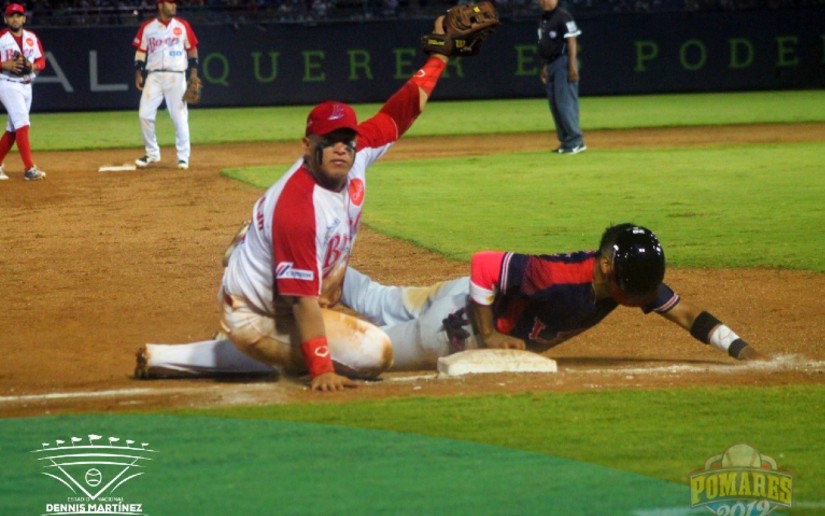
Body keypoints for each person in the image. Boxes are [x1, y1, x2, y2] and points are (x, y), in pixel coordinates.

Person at [134, 15, 464, 392]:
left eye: (346, 140)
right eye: (329, 141)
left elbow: (398, 113)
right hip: (256, 312)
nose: (340, 148)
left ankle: (248, 251)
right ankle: (211, 348)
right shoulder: (299, 207)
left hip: (290, 275)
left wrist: (439, 56)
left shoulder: (355, 152)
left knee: (342, 292)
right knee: (374, 352)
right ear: (308, 146)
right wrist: (321, 368)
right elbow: (303, 302)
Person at [136, 224, 766, 379]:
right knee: (341, 353)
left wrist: (736, 346)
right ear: (609, 268)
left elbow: (686, 312)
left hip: (447, 299)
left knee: (370, 294)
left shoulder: (623, 283)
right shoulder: (562, 277)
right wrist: (487, 336)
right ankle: (170, 356)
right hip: (454, 328)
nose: (644, 298)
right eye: (637, 286)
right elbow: (488, 264)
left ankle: (279, 254)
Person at [132, 0, 199, 171]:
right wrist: (138, 72)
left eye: (174, 3)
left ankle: (183, 157)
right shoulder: (148, 27)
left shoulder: (182, 25)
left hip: (176, 76)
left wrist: (193, 74)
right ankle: (152, 153)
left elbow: (192, 49)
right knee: (144, 114)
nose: (174, 6)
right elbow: (141, 51)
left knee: (179, 117)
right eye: (170, 3)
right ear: (160, 5)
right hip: (154, 76)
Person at [0, 2, 46, 181]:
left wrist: (32, 66)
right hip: (7, 83)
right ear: (6, 19)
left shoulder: (31, 38)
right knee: (22, 123)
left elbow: (42, 61)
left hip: (26, 85)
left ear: (24, 19)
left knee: (13, 130)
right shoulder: (2, 38)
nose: (15, 19)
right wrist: (3, 64)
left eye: (18, 15)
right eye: (11, 16)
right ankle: (29, 169)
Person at [538, 0, 586, 155]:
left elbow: (572, 41)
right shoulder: (543, 19)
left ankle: (576, 141)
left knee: (565, 103)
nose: (544, 1)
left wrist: (572, 66)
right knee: (555, 105)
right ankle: (566, 141)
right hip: (551, 64)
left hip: (563, 62)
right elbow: (545, 45)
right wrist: (544, 66)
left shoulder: (563, 16)